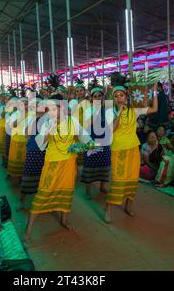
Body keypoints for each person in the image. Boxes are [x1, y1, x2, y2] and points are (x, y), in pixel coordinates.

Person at [24, 94, 91, 241]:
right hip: (52, 163)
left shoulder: (72, 121)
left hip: (68, 163)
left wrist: (81, 146)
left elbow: (85, 138)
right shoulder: (47, 123)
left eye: (58, 107)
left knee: (67, 192)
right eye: (52, 108)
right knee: (43, 192)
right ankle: (28, 229)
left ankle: (64, 220)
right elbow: (40, 143)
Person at [104, 77, 158, 223]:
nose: (119, 98)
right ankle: (108, 209)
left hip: (133, 148)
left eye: (121, 95)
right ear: (113, 98)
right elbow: (111, 130)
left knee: (132, 179)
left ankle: (128, 206)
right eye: (116, 96)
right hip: (118, 149)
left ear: (126, 96)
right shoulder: (110, 112)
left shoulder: (134, 109)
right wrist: (119, 113)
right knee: (118, 179)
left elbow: (154, 109)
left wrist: (153, 92)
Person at [81, 83, 111, 198]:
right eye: (95, 96)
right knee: (90, 165)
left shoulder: (107, 110)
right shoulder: (88, 110)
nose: (98, 98)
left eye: (99, 96)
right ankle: (88, 190)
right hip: (92, 141)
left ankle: (102, 186)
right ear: (91, 98)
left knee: (104, 164)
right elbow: (88, 124)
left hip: (104, 141)